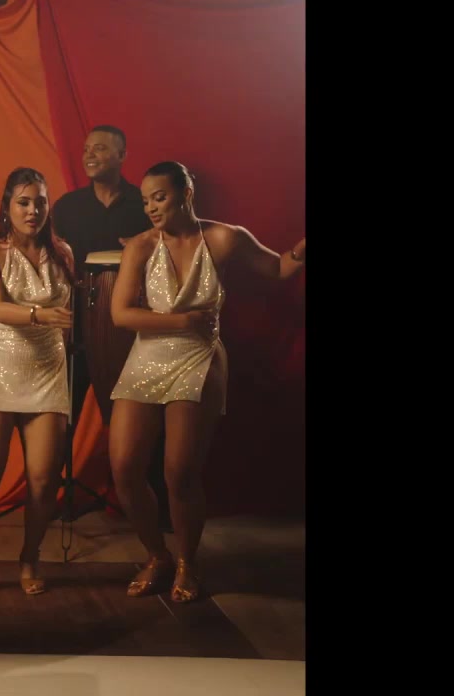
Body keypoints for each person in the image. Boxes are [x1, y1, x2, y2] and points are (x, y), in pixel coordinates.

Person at [108, 160, 305, 603]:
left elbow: (278, 269)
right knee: (123, 467)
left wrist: (302, 248)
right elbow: (121, 314)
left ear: (186, 193)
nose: (151, 208)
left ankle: (186, 562)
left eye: (159, 197)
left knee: (179, 471)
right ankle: (157, 555)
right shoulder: (140, 246)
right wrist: (181, 320)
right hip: (147, 357)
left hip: (199, 358)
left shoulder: (224, 238)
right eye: (145, 201)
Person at [0, 166, 74, 599]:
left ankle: (30, 555)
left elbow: (69, 316)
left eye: (40, 202)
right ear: (7, 207)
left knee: (43, 478)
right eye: (23, 202)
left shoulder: (63, 252)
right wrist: (42, 315)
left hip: (47, 368)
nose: (32, 210)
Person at [51, 124, 170, 525]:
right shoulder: (67, 206)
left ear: (122, 155)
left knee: (141, 417)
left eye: (100, 149)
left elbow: (170, 253)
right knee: (62, 412)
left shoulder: (144, 204)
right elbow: (53, 259)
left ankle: (156, 507)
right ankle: (51, 496)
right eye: (87, 148)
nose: (90, 154)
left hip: (130, 326)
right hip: (76, 323)